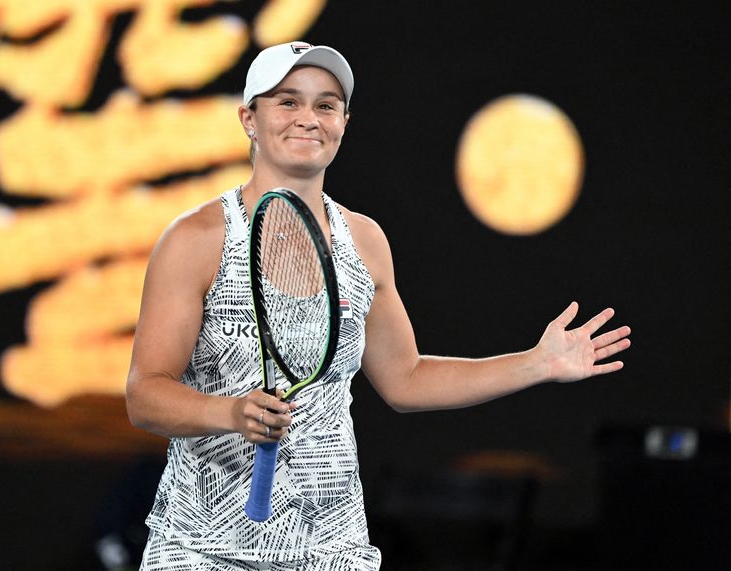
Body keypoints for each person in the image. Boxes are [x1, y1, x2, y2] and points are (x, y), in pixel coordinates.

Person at [125, 41, 631, 570]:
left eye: (326, 105)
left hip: (334, 551)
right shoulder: (195, 239)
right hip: (204, 551)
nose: (308, 118)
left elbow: (406, 378)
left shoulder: (364, 241)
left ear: (344, 121)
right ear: (249, 118)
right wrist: (228, 411)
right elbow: (145, 394)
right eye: (287, 102)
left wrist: (536, 363)